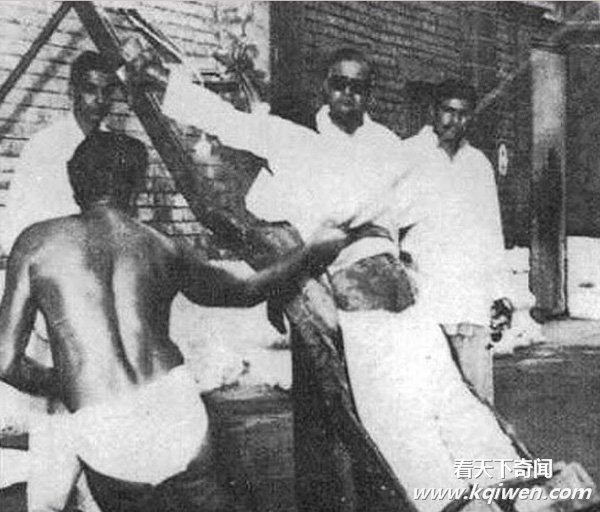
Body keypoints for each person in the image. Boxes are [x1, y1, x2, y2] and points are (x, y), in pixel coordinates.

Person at [131, 49, 528, 512]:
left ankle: (514, 490)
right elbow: (228, 122)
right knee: (389, 417)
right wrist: (163, 81)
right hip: (340, 292)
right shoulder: (297, 138)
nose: (348, 95)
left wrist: (443, 274)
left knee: (445, 394)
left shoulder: (388, 146)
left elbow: (427, 214)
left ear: (368, 93)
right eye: (340, 84)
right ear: (326, 86)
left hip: (396, 287)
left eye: (358, 87)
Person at [0, 131, 355, 512]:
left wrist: (71, 382)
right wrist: (312, 251)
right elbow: (246, 290)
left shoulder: (36, 243)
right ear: (137, 185)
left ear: (75, 179)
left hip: (102, 423)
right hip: (173, 406)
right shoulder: (161, 245)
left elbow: (6, 363)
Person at [396, 79, 514, 404]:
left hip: (471, 300)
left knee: (477, 402)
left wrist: (500, 292)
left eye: (463, 114)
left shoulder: (478, 165)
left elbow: (492, 232)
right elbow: (388, 224)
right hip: (425, 299)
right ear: (433, 111)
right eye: (448, 111)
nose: (455, 121)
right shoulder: (407, 155)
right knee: (429, 401)